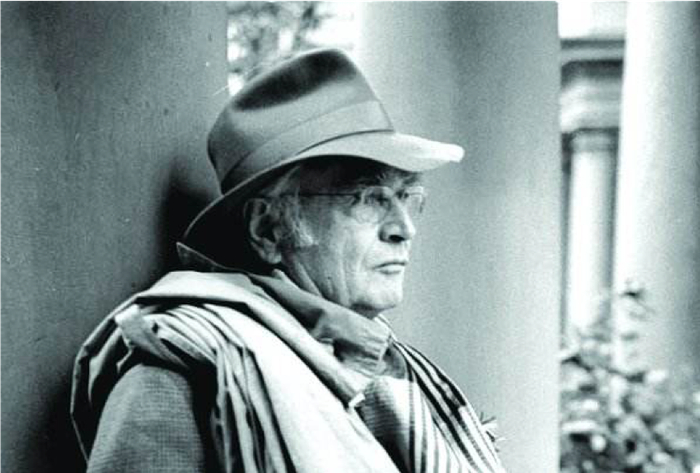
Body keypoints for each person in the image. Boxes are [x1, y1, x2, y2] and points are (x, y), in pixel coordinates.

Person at [71, 48, 505, 473]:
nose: (403, 227)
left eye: (407, 196)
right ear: (268, 230)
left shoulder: (381, 365)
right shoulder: (181, 370)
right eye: (368, 198)